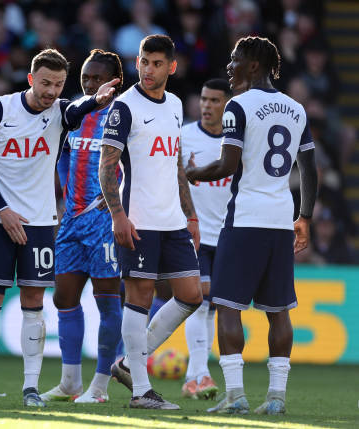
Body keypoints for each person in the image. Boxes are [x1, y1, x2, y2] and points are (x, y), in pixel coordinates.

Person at [0, 48, 118, 407]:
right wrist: (2, 210)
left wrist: (97, 98)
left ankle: (31, 388)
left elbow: (82, 108)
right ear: (31, 79)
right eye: (45, 83)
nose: (51, 91)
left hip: (41, 223)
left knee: (33, 302)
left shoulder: (62, 112)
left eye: (59, 85)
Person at [185, 36, 318, 415]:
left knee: (228, 307)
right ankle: (276, 398)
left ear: (254, 66)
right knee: (279, 311)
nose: (229, 66)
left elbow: (227, 165)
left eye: (235, 59)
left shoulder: (238, 106)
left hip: (244, 220)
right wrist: (304, 217)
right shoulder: (296, 109)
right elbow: (308, 168)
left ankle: (236, 397)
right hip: (280, 219)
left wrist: (193, 173)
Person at [98, 34, 203, 410]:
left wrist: (190, 214)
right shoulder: (123, 108)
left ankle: (128, 363)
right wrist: (118, 216)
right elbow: (106, 167)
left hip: (173, 220)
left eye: (157, 63)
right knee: (139, 298)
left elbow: (175, 163)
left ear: (171, 67)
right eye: (144, 61)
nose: (148, 69)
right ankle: (141, 390)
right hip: (138, 219)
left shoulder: (174, 105)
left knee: (192, 295)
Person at [40, 49, 123, 404]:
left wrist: (120, 196)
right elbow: (63, 157)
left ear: (114, 81)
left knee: (107, 302)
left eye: (97, 78)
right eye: (86, 77)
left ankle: (100, 386)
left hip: (105, 220)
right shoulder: (75, 112)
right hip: (72, 220)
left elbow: (138, 164)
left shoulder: (124, 114)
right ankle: (70, 381)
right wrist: (63, 193)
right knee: (64, 298)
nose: (90, 84)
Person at [179, 78, 232, 400]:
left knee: (211, 307)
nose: (207, 106)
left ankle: (193, 376)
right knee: (199, 301)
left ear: (227, 104)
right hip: (194, 234)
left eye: (215, 100)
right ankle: (200, 374)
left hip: (228, 235)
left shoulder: (237, 143)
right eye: (204, 99)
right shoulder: (185, 137)